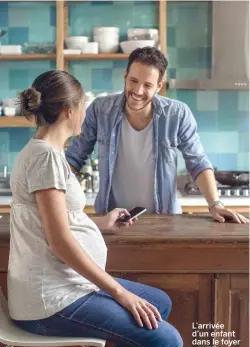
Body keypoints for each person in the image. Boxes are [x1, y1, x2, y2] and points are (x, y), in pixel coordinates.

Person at [8, 70, 183, 347]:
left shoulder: (46, 153)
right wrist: (118, 292)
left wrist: (101, 223)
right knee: (167, 344)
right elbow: (59, 241)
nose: (86, 112)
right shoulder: (45, 158)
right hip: (51, 300)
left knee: (158, 303)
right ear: (68, 111)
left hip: (62, 286)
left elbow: (56, 221)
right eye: (84, 105)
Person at [66, 47, 248, 224]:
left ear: (159, 86)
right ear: (125, 76)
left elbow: (198, 163)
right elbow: (74, 158)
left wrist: (215, 204)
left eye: (147, 85)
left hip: (163, 221)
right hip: (112, 221)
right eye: (133, 81)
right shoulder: (100, 109)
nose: (138, 91)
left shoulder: (177, 114)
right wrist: (51, 197)